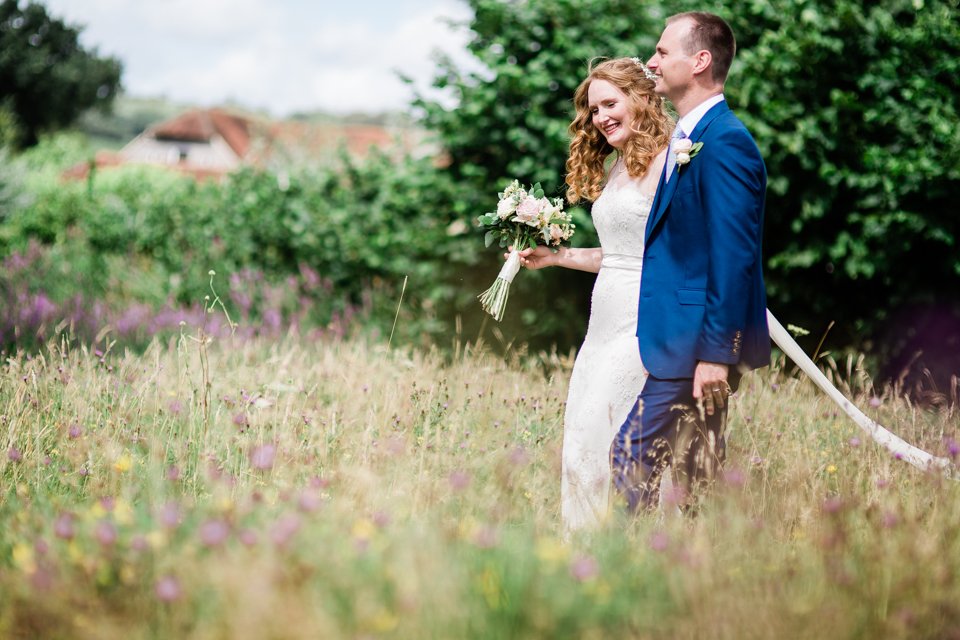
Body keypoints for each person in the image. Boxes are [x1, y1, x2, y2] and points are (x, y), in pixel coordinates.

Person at [609, 12, 771, 514]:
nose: (651, 60)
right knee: (693, 474)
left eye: (662, 52)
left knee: (631, 456)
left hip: (696, 344)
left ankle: (628, 571)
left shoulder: (725, 143)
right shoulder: (690, 136)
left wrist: (715, 355)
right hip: (683, 341)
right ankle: (690, 578)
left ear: (699, 61)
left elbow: (734, 257)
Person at [513, 57, 672, 533]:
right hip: (601, 327)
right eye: (593, 108)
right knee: (580, 443)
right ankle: (582, 556)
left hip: (641, 324)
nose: (600, 117)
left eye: (610, 103)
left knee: (611, 447)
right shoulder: (621, 166)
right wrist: (557, 257)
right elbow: (619, 255)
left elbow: (666, 258)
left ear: (641, 99)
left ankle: (624, 546)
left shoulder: (672, 161)